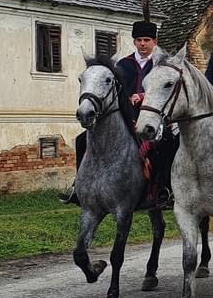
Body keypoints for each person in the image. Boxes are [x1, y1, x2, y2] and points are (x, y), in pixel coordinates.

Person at [60, 15, 176, 205]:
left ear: (155, 41)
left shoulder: (161, 65)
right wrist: (127, 99)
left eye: (147, 40)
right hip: (126, 117)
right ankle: (78, 186)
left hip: (154, 117)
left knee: (166, 143)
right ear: (134, 42)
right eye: (139, 40)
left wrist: (143, 97)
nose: (142, 44)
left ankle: (165, 189)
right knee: (82, 140)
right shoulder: (123, 65)